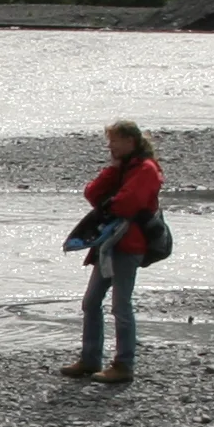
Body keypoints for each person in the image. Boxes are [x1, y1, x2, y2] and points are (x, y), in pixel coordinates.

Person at [64, 120, 164, 386]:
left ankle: (123, 364)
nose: (110, 145)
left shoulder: (146, 169)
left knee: (121, 305)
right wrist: (112, 170)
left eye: (115, 140)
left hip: (128, 246)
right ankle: (90, 359)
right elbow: (92, 192)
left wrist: (108, 205)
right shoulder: (124, 169)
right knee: (91, 302)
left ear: (130, 141)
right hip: (108, 246)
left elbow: (128, 203)